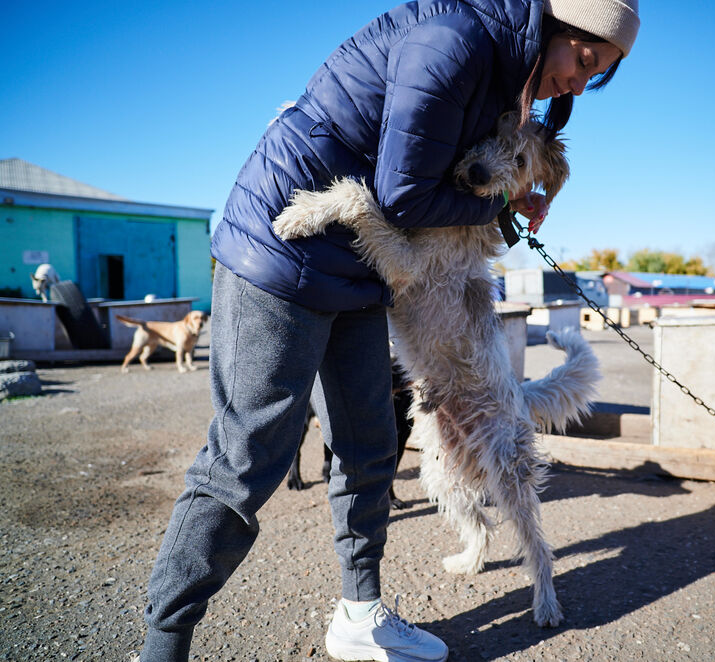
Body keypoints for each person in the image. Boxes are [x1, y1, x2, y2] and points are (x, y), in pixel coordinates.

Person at [136, 1, 639, 660]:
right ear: (558, 25)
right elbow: (404, 196)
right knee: (245, 460)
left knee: (370, 448)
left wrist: (512, 212)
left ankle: (361, 613)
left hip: (359, 267)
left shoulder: (503, 86)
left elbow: (451, 193)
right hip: (285, 243)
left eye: (595, 74)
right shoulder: (457, 42)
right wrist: (501, 206)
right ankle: (164, 642)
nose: (580, 81)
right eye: (585, 59)